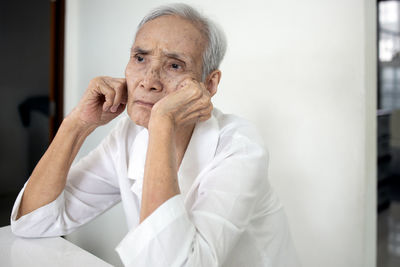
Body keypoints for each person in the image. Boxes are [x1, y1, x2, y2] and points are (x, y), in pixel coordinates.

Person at [10, 3, 299, 267]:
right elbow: (31, 223)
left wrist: (163, 123)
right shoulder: (128, 136)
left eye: (174, 65)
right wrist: (77, 124)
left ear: (209, 84)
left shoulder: (240, 148)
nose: (149, 81)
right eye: (140, 58)